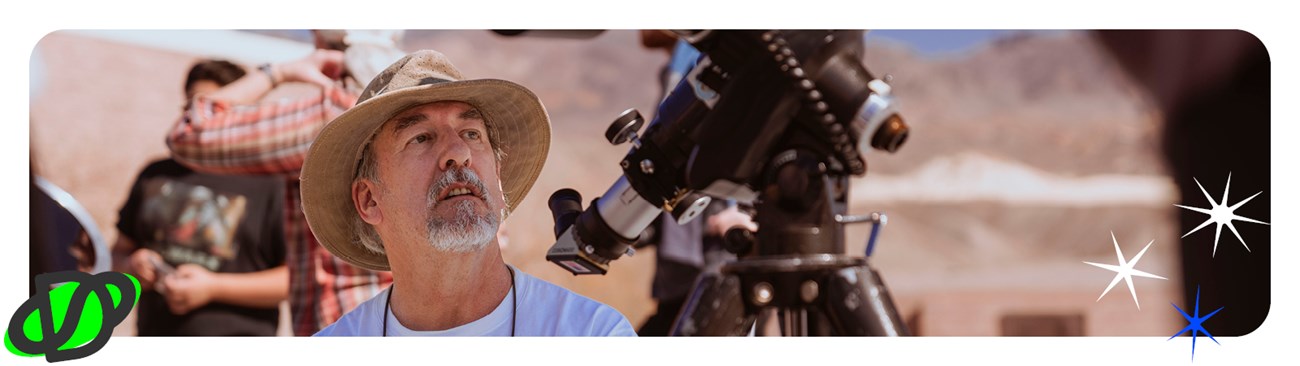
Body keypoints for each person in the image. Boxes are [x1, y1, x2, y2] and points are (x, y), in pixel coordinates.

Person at [305, 50, 635, 336]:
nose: (459, 152)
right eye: (420, 137)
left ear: (499, 180)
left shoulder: (590, 335)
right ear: (369, 199)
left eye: (472, 133)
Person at [165, 30, 402, 335]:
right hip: (402, 318)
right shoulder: (414, 110)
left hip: (346, 318)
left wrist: (278, 72)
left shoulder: (329, 114)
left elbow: (190, 131)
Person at [113, 59, 288, 335]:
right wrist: (133, 265)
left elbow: (294, 279)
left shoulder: (273, 185)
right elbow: (118, 252)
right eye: (192, 107)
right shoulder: (156, 173)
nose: (199, 118)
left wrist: (212, 288)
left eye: (212, 109)